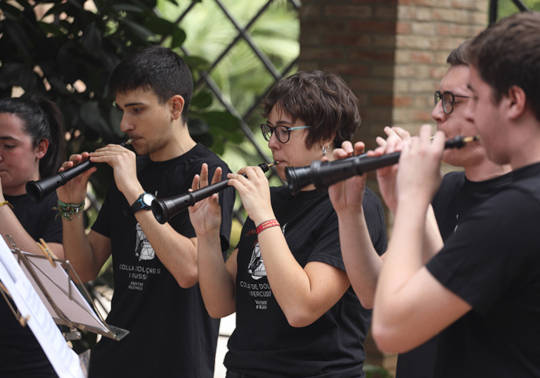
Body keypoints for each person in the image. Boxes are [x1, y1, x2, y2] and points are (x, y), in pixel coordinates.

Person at [372, 12, 540, 377]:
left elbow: (390, 329)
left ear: (513, 101)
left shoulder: (518, 209)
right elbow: (463, 288)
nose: (473, 116)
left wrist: (414, 200)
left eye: (475, 98)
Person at [189, 70, 387, 378]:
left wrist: (264, 216)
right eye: (271, 130)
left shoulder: (352, 206)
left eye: (285, 131)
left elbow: (301, 308)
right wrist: (207, 233)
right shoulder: (275, 200)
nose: (273, 144)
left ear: (325, 135)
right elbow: (219, 303)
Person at [57, 46, 235, 378]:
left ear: (175, 106)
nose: (125, 123)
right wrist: (71, 204)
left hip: (176, 362)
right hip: (114, 358)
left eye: (137, 110)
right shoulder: (131, 171)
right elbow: (86, 266)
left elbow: (188, 270)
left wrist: (135, 192)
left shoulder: (209, 172)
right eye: (122, 110)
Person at [394, 41, 511, 378]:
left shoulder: (519, 205)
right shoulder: (444, 190)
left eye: (451, 101)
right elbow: (374, 292)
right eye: (438, 97)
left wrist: (415, 197)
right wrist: (349, 207)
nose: (436, 113)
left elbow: (453, 306)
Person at [0, 96, 65, 376]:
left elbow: (44, 271)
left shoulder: (57, 202)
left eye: (8, 146)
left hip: (34, 359)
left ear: (41, 148)